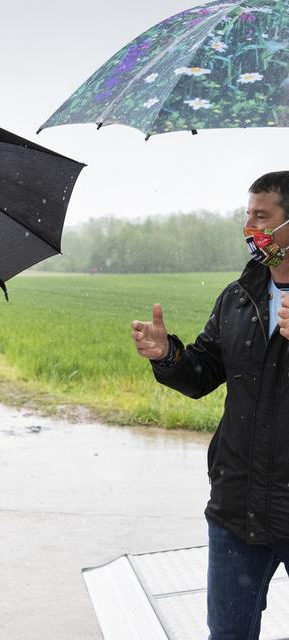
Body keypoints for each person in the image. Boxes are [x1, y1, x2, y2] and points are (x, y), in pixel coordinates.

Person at [131, 171, 289, 640]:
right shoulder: (238, 298)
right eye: (247, 217)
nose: (250, 229)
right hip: (237, 507)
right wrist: (168, 355)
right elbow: (203, 373)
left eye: (262, 217)